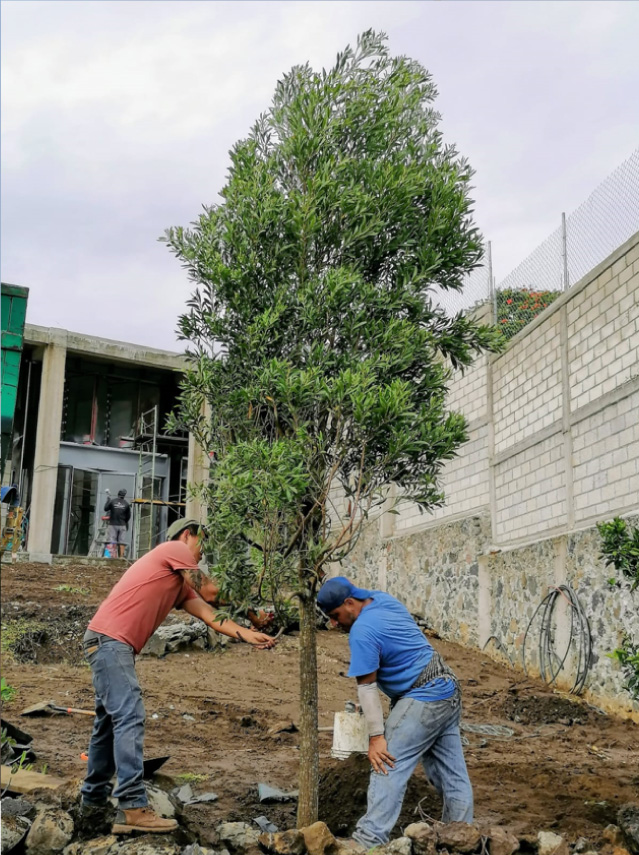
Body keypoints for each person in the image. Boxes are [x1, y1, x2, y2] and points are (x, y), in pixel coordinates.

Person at [80, 518, 276, 835]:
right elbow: (211, 590)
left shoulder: (177, 585)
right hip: (110, 643)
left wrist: (246, 633)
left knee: (107, 727)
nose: (202, 554)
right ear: (188, 535)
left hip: (107, 644)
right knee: (129, 714)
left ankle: (90, 811)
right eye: (202, 545)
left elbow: (211, 615)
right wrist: (250, 603)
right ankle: (132, 806)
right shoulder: (172, 548)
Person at [317, 576, 473, 849]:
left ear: (349, 603)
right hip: (447, 689)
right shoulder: (381, 600)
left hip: (423, 696)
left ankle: (366, 842)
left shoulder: (362, 631)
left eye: (335, 615)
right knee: (451, 776)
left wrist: (376, 737)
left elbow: (367, 689)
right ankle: (460, 841)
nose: (333, 623)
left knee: (386, 762)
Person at [103, 488, 131, 558]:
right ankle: (121, 557)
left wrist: (108, 500)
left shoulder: (112, 501)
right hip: (122, 524)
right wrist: (124, 522)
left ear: (118, 494)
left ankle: (111, 556)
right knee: (122, 541)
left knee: (112, 540)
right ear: (124, 495)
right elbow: (128, 516)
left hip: (113, 524)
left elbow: (106, 508)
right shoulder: (126, 504)